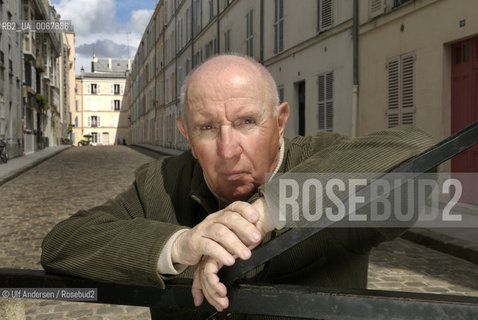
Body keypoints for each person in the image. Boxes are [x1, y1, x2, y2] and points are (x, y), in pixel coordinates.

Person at [41, 54, 435, 319]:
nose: (228, 150)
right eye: (207, 128)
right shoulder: (161, 183)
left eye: (247, 122)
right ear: (187, 136)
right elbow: (64, 242)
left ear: (280, 122)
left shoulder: (325, 157)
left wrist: (265, 213)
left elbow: (419, 153)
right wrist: (180, 246)